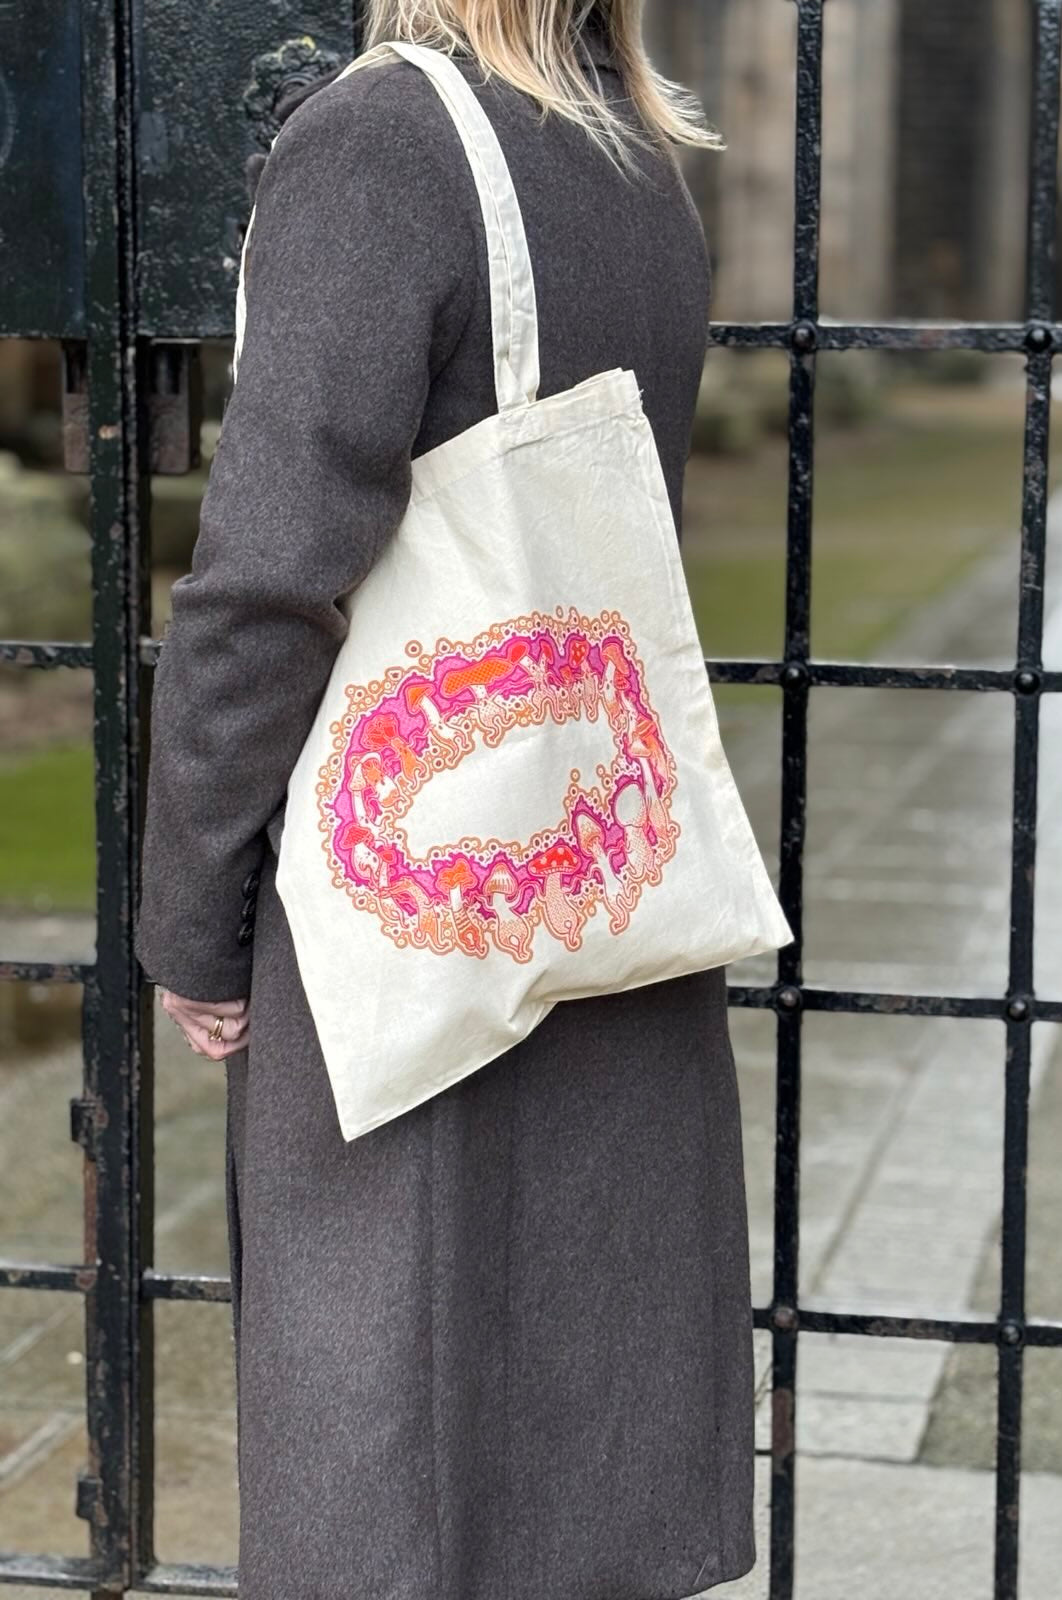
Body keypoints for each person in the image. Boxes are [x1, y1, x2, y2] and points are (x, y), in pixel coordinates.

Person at [134, 3, 757, 1595]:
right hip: (586, 869)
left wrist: (190, 913)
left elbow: (268, 579)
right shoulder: (635, 153)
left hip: (416, 906)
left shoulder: (381, 141)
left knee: (391, 1443)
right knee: (572, 1454)